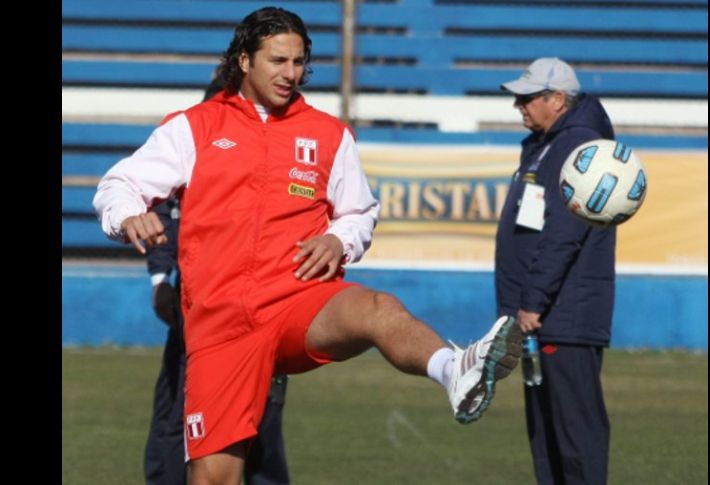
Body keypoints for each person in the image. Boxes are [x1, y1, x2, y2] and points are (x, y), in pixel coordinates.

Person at [93, 7, 523, 484]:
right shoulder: (194, 127)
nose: (290, 73)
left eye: (299, 62)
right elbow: (120, 184)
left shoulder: (329, 134)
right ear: (244, 60)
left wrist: (339, 239)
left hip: (296, 298)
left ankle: (454, 369)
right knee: (215, 476)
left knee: (377, 308)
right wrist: (128, 214)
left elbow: (360, 212)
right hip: (221, 324)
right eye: (278, 61)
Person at [495, 57, 617, 484]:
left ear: (558, 99)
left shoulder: (576, 146)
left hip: (562, 316)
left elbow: (564, 232)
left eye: (527, 98)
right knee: (546, 436)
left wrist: (532, 302)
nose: (519, 107)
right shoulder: (545, 143)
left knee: (575, 436)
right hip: (546, 318)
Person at [144, 197, 290, 485]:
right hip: (200, 304)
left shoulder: (277, 166)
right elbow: (166, 206)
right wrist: (160, 278)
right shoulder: (195, 155)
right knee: (177, 417)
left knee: (262, 419)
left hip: (264, 303)